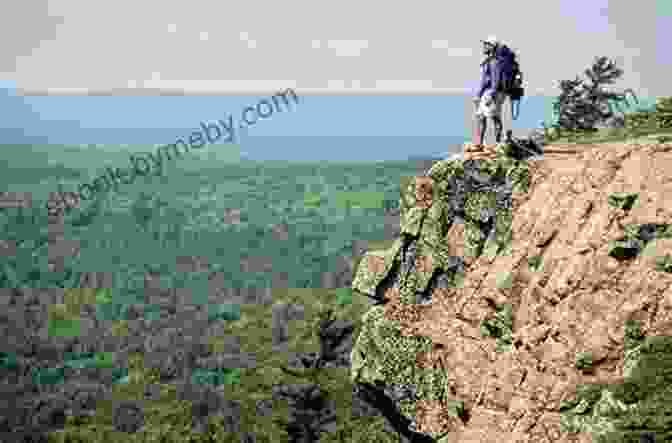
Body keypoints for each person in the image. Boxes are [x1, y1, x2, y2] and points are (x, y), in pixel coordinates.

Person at [473, 35, 505, 147]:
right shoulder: (489, 60)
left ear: (492, 47)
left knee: (494, 117)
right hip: (488, 92)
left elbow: (495, 80)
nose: (484, 46)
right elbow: (485, 80)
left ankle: (498, 143)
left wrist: (491, 95)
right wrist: (478, 95)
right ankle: (480, 143)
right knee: (481, 116)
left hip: (493, 93)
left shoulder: (494, 62)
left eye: (486, 44)